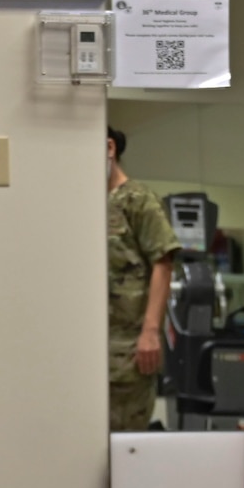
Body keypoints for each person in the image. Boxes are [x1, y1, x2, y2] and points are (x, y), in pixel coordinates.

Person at [106, 129, 181, 431]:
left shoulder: (138, 199)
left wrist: (151, 332)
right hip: (91, 349)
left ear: (109, 148)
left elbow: (163, 263)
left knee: (123, 448)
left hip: (128, 351)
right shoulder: (86, 204)